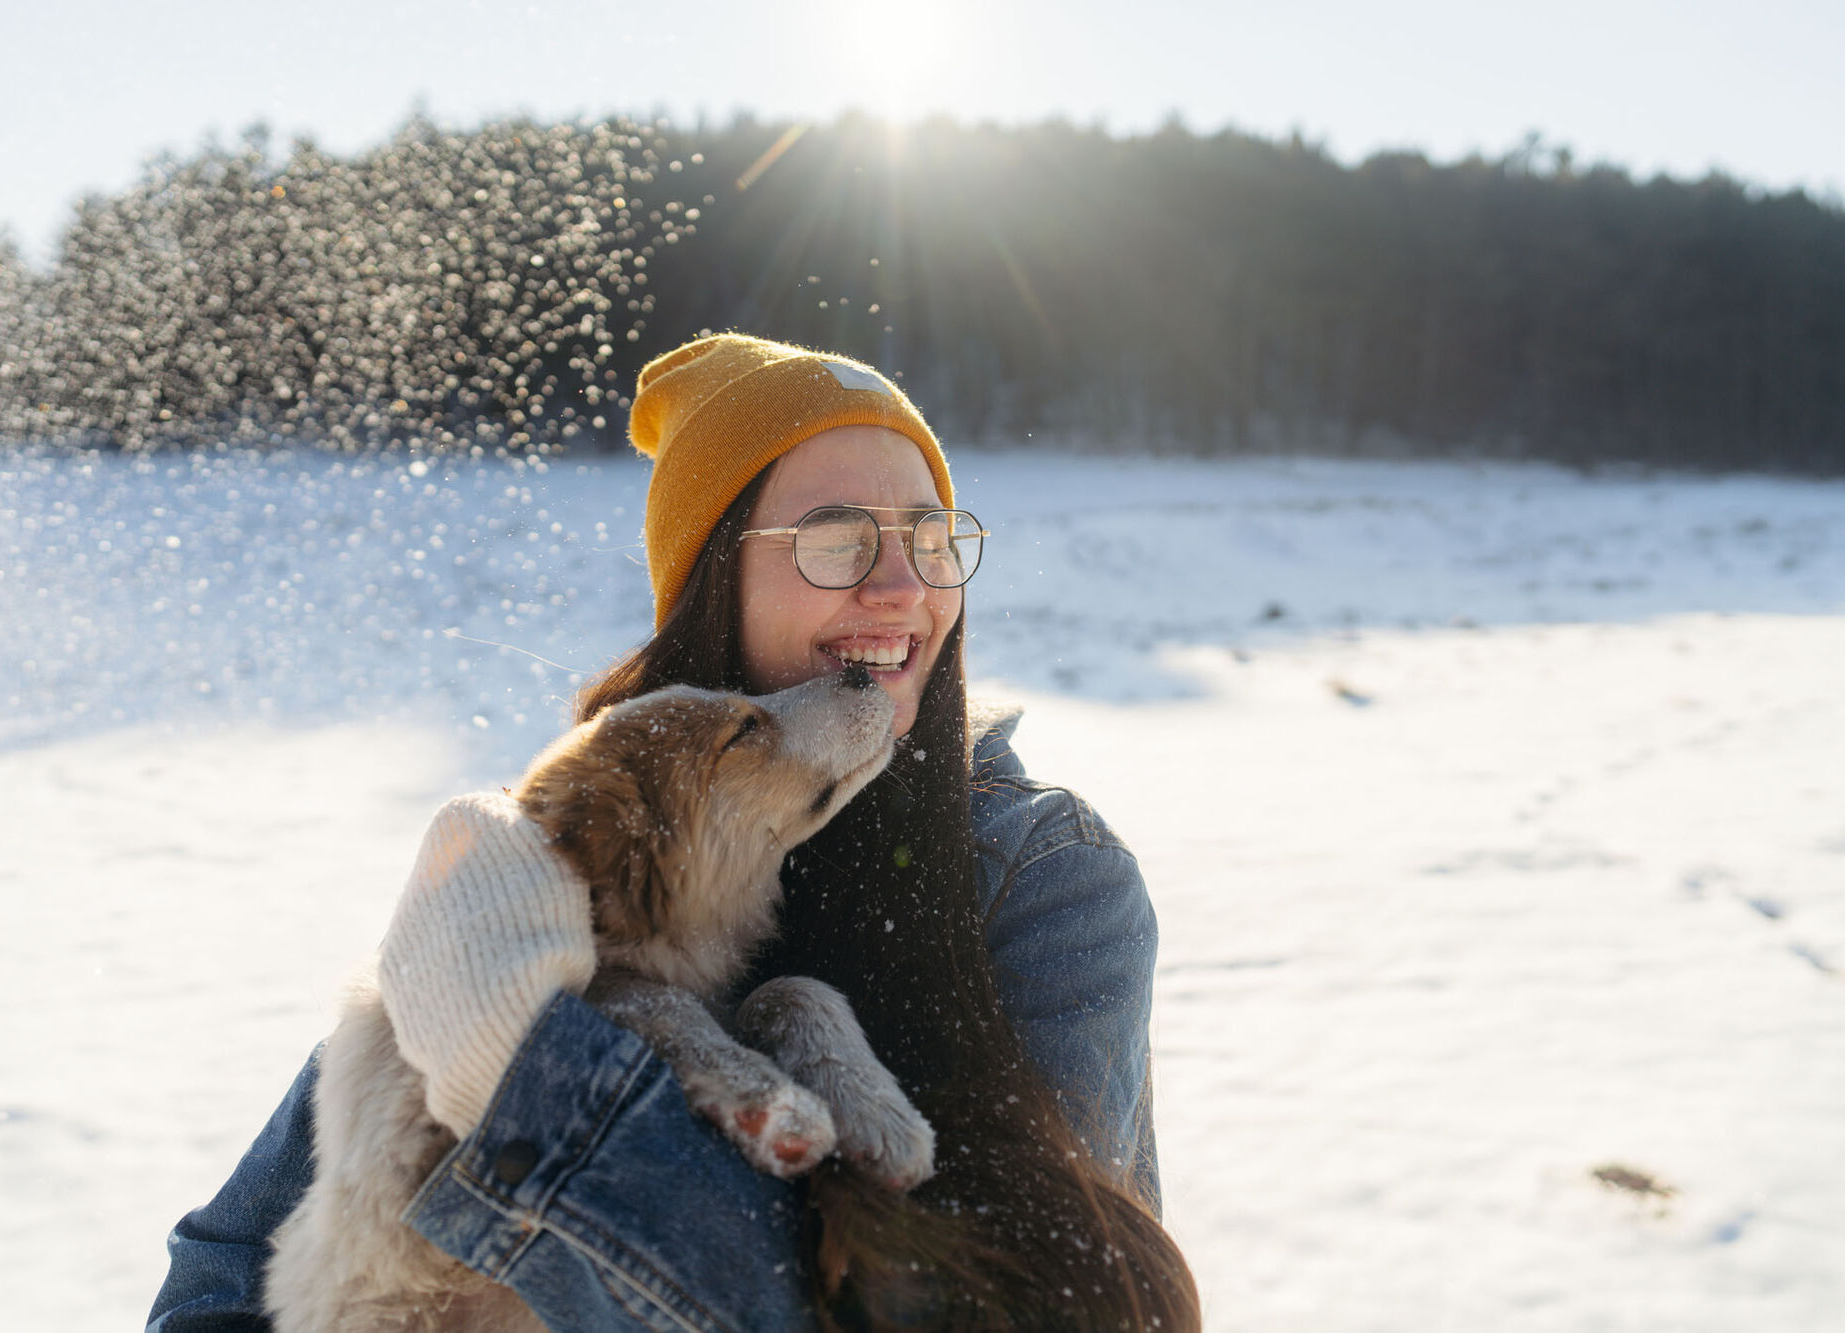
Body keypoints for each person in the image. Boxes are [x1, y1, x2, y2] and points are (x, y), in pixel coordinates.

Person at [149, 333, 1192, 1330]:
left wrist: (524, 1077)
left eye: (931, 538)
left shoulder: (1046, 877)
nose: (903, 588)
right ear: (713, 575)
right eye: (837, 539)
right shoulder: (549, 860)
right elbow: (218, 1284)